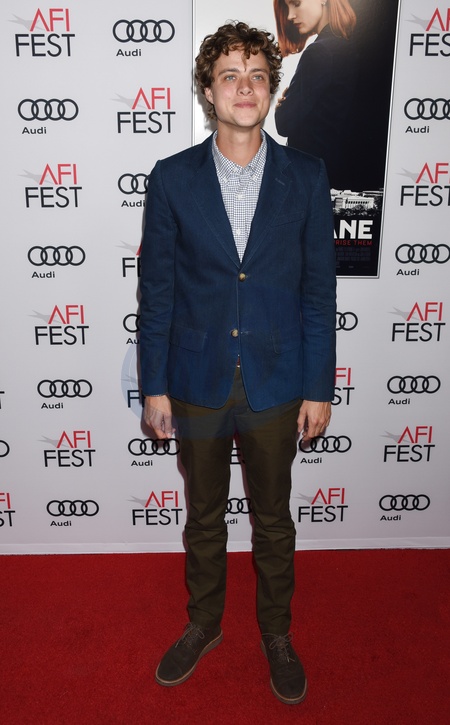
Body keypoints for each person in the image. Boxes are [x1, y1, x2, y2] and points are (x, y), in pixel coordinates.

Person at [139, 21, 336, 706]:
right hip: (195, 381)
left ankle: (277, 633)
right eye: (230, 75)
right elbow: (157, 293)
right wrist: (155, 385)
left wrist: (319, 385)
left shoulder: (306, 176)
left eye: (256, 75)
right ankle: (204, 623)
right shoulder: (171, 179)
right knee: (203, 515)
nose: (244, 87)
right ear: (208, 90)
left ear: (271, 90)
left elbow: (319, 292)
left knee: (273, 519)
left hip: (278, 381)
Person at [274, 0, 357, 189]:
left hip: (312, 177)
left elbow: (284, 123)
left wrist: (282, 107)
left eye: (296, 3)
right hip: (343, 174)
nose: (289, 16)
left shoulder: (320, 52)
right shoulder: (348, 47)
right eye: (287, 8)